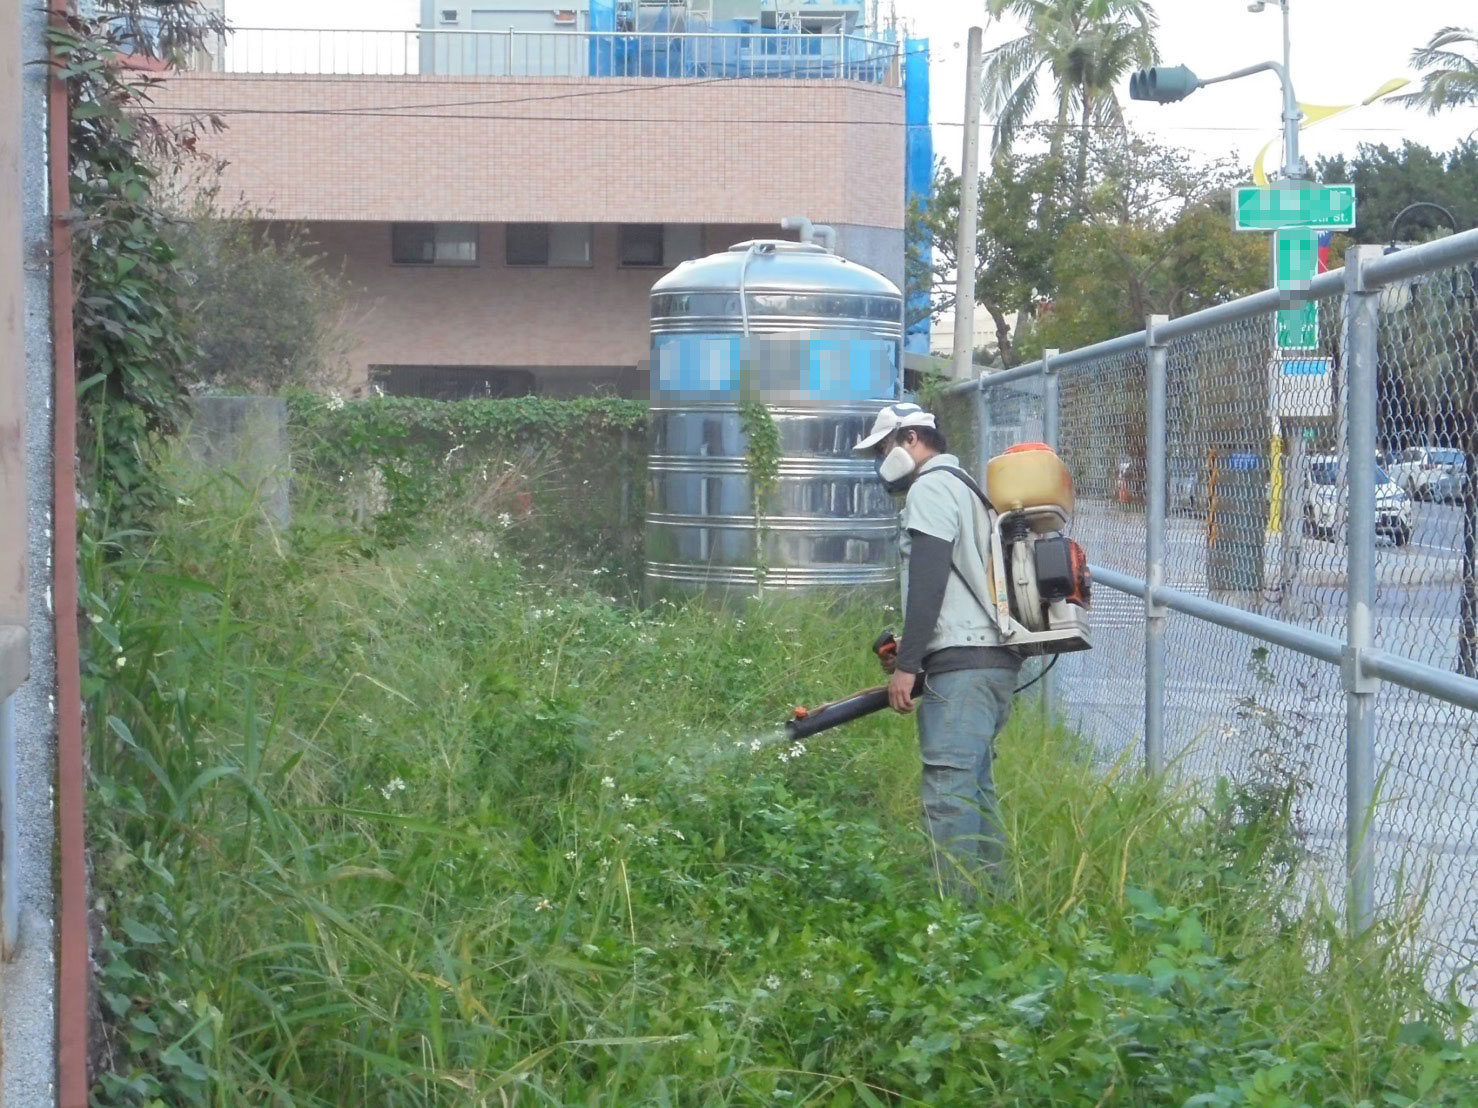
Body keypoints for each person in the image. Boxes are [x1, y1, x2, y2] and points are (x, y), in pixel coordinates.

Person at [852, 402, 1022, 899]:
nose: (881, 460)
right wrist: (916, 646)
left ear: (910, 440)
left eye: (883, 448)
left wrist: (907, 667)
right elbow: (957, 588)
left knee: (949, 798)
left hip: (965, 670)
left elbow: (928, 579)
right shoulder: (965, 485)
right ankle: (995, 908)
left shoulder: (930, 487)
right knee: (976, 793)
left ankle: (956, 924)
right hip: (990, 662)